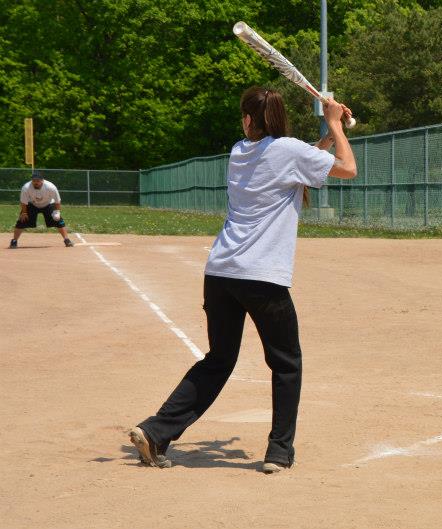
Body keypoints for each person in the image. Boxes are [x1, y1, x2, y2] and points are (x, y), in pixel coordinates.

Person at [128, 87, 357, 474]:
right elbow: (347, 168)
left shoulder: (240, 151)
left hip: (221, 274)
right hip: (262, 278)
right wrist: (335, 124)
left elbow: (300, 163)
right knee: (286, 364)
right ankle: (279, 452)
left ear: (250, 120)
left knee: (218, 360)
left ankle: (156, 431)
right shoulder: (287, 152)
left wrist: (328, 130)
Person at [9, 171, 73, 248]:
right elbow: (23, 202)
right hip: (32, 204)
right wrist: (24, 212)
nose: (36, 182)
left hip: (48, 204)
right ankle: (14, 241)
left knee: (58, 220)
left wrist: (57, 211)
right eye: (34, 180)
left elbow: (57, 201)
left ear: (42, 180)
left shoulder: (50, 187)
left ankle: (67, 240)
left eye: (38, 181)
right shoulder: (26, 187)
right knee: (21, 221)